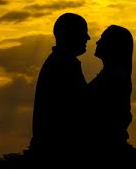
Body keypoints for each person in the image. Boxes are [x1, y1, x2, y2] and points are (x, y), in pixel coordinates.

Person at [29, 13, 90, 162]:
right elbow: (81, 108)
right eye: (83, 33)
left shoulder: (60, 62)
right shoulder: (64, 64)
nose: (87, 38)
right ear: (70, 35)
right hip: (59, 154)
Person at [87, 25, 134, 160]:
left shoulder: (115, 78)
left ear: (114, 46)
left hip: (105, 152)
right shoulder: (112, 75)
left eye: (103, 39)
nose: (97, 42)